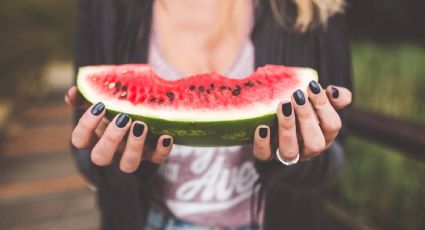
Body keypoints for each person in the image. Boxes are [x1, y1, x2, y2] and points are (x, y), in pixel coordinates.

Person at [65, 0, 352, 229]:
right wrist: (121, 161)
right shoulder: (105, 7)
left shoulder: (314, 8)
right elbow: (84, 151)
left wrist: (291, 157)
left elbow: (334, 158)